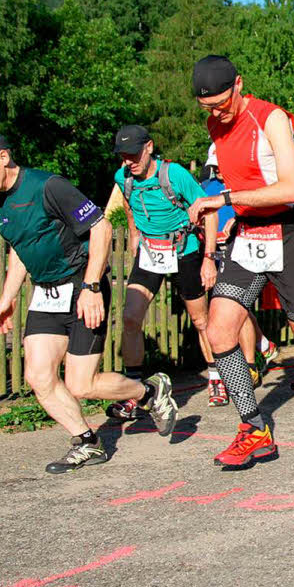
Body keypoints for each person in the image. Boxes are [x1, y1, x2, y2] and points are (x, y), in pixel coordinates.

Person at [0, 128, 177, 473]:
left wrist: (92, 287)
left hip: (82, 286)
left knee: (81, 384)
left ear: (2, 158)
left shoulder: (48, 186)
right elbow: (21, 249)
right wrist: (7, 299)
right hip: (46, 293)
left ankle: (149, 391)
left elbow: (100, 228)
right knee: (39, 377)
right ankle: (87, 442)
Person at [188, 55, 294, 465]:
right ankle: (254, 429)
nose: (217, 114)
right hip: (248, 236)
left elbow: (291, 188)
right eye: (207, 108)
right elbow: (245, 178)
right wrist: (236, 219)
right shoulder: (215, 123)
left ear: (239, 84)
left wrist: (224, 201)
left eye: (222, 104)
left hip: (288, 234)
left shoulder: (273, 119)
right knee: (219, 331)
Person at [105, 125, 218, 420]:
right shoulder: (122, 178)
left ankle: (216, 376)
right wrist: (132, 233)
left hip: (184, 250)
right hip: (151, 253)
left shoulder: (175, 174)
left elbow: (210, 211)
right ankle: (134, 391)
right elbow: (129, 207)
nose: (129, 161)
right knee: (130, 317)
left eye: (133, 154)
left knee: (200, 319)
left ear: (149, 147)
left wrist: (208, 258)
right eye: (123, 156)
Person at [199, 146, 279, 403]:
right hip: (216, 253)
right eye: (216, 167)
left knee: (240, 308)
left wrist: (240, 222)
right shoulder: (207, 185)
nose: (219, 172)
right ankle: (264, 345)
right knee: (223, 313)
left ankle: (251, 364)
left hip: (244, 253)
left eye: (223, 166)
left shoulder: (250, 183)